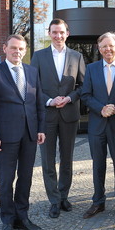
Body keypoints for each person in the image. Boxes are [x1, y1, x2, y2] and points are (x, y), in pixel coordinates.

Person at [0, 34, 46, 230]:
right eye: (13, 48)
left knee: (26, 178)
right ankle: (7, 221)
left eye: (21, 49)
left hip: (29, 135)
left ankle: (22, 217)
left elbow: (38, 103)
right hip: (5, 138)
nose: (17, 52)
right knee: (6, 180)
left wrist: (41, 128)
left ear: (25, 51)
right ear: (5, 48)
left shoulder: (32, 72)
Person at [31, 18, 85, 218]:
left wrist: (70, 98)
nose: (58, 36)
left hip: (69, 115)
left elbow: (83, 86)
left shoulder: (77, 56)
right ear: (49, 33)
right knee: (47, 161)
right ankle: (53, 200)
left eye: (61, 32)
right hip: (47, 116)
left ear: (67, 33)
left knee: (67, 159)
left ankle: (63, 196)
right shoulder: (38, 56)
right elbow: (32, 86)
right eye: (54, 32)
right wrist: (49, 101)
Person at [81, 32, 115, 219]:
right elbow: (85, 95)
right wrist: (101, 109)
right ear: (99, 48)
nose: (108, 49)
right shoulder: (92, 68)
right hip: (97, 124)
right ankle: (98, 202)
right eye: (104, 46)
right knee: (98, 165)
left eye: (111, 45)